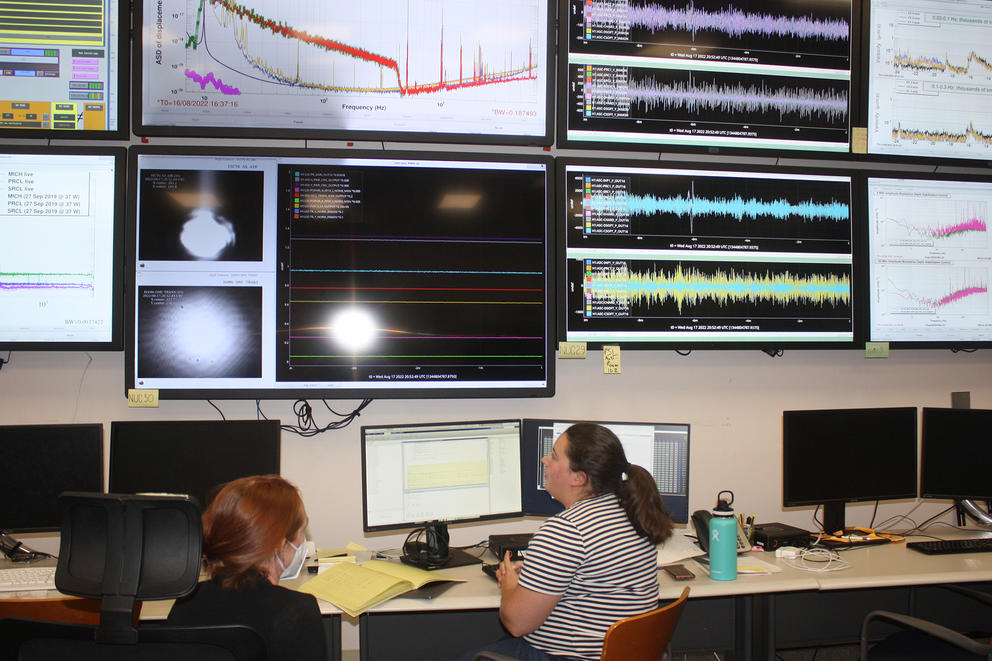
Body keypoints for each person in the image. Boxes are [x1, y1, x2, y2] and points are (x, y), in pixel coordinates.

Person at [457, 422, 674, 661]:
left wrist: (509, 584)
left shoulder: (567, 530)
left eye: (554, 456)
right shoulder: (633, 514)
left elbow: (516, 623)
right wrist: (537, 573)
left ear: (579, 478)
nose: (544, 460)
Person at [167, 475, 327, 661]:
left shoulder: (185, 603)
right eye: (301, 531)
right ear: (281, 547)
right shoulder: (297, 610)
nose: (303, 541)